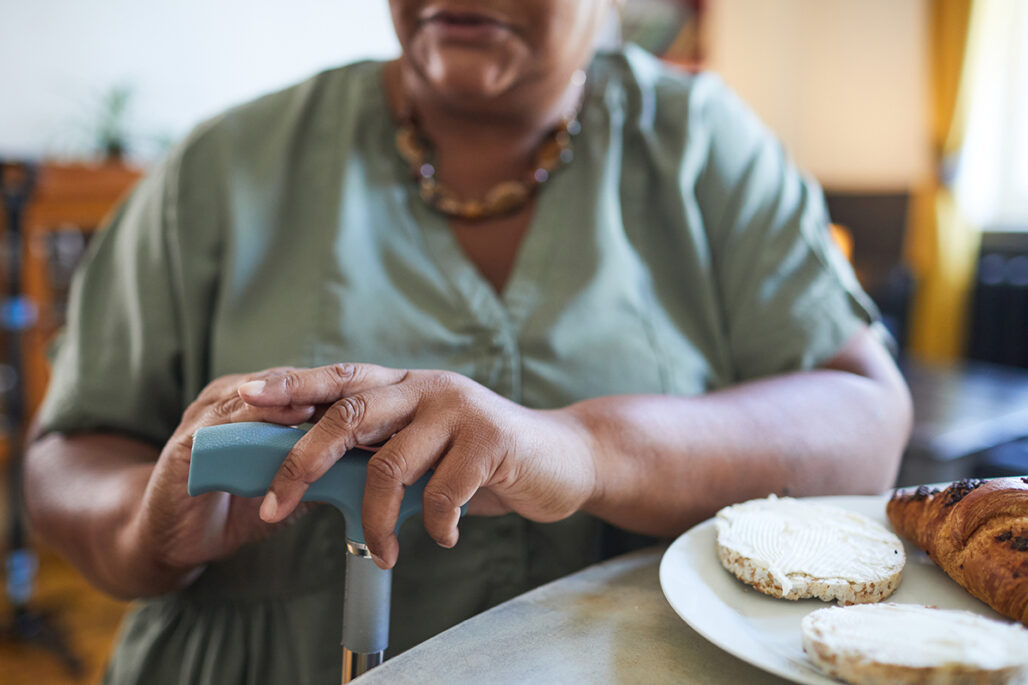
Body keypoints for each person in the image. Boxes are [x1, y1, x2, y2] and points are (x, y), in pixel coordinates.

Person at [24, 1, 912, 683]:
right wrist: (144, 529)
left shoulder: (703, 148)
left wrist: (579, 447)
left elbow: (863, 419)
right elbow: (66, 455)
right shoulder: (222, 169)